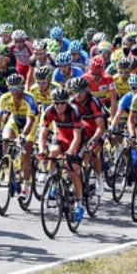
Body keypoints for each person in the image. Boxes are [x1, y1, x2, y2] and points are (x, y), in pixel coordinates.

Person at [39, 87, 87, 223]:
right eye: (56, 103)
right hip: (61, 138)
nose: (59, 106)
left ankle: (79, 204)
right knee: (52, 152)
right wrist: (42, 150)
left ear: (67, 103)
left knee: (72, 172)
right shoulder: (49, 111)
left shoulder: (74, 112)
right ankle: (53, 181)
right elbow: (43, 132)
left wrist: (70, 152)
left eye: (62, 103)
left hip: (75, 141)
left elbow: (77, 137)